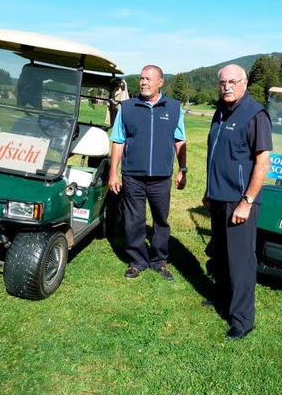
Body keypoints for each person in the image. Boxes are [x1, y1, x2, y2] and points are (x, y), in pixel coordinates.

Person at [202, 64, 272, 341]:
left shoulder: (255, 114)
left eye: (233, 81)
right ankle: (222, 299)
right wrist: (209, 191)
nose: (227, 86)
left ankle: (242, 319)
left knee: (241, 262)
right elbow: (216, 155)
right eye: (222, 82)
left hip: (239, 201)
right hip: (218, 197)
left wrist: (247, 201)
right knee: (220, 254)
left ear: (245, 82)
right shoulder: (220, 111)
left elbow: (263, 161)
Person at [109, 65, 187, 281]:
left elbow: (180, 140)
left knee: (161, 220)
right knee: (134, 220)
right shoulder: (128, 107)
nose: (143, 82)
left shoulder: (174, 108)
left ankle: (160, 260)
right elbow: (118, 140)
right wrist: (113, 173)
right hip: (133, 175)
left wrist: (183, 169)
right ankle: (137, 261)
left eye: (148, 79)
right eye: (141, 78)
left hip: (162, 177)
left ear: (160, 82)